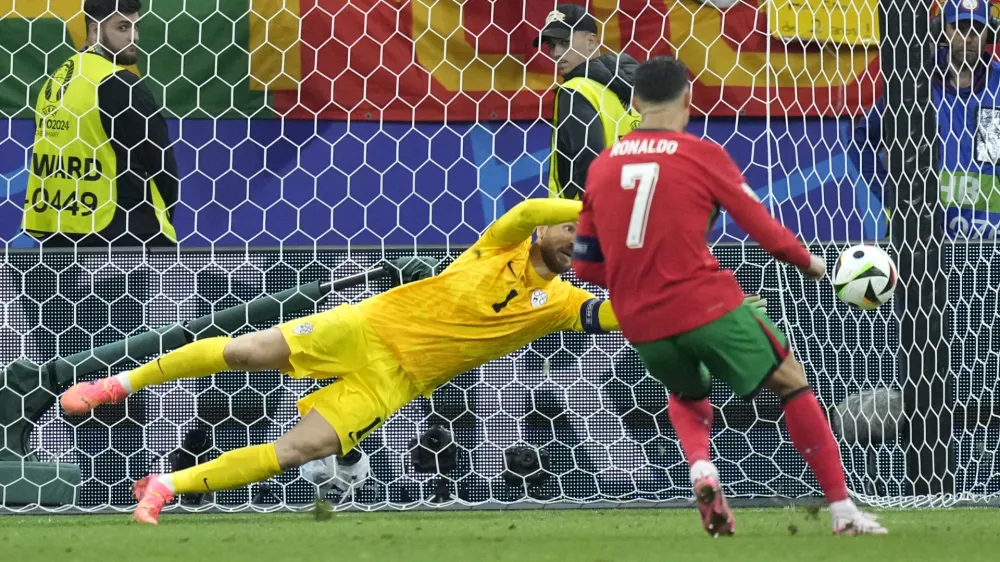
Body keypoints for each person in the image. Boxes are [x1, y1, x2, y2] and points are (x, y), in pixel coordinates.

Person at [59, 197, 621, 524]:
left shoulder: (564, 304)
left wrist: (690, 296)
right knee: (248, 351)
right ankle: (119, 383)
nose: (574, 239)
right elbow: (526, 209)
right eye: (570, 228)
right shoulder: (499, 246)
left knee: (301, 449)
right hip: (365, 326)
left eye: (584, 236)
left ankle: (164, 486)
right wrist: (597, 206)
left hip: (395, 380)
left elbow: (617, 317)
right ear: (548, 228)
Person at [572, 56, 887, 536]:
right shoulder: (701, 155)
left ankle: (700, 467)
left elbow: (585, 266)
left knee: (687, 393)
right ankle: (843, 511)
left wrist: (636, 287)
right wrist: (820, 267)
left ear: (634, 101)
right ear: (688, 99)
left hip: (639, 320)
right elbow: (764, 231)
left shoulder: (600, 168)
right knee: (791, 380)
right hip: (703, 301)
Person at [23, 0, 178, 247]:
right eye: (123, 28)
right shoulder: (121, 83)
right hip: (122, 235)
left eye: (136, 28)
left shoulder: (55, 81)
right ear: (94, 30)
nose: (134, 37)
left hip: (60, 232)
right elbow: (162, 163)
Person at [854, 0, 999, 237]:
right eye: (959, 28)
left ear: (990, 32)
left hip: (989, 241)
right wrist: (890, 196)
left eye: (976, 29)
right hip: (921, 241)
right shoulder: (913, 83)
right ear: (942, 29)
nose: (968, 37)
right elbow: (862, 141)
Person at [535, 4, 641, 200]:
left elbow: (589, 157)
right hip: (637, 210)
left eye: (564, 42)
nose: (556, 53)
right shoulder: (640, 88)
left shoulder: (576, 90)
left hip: (584, 217)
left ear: (591, 41)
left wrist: (589, 219)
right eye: (551, 46)